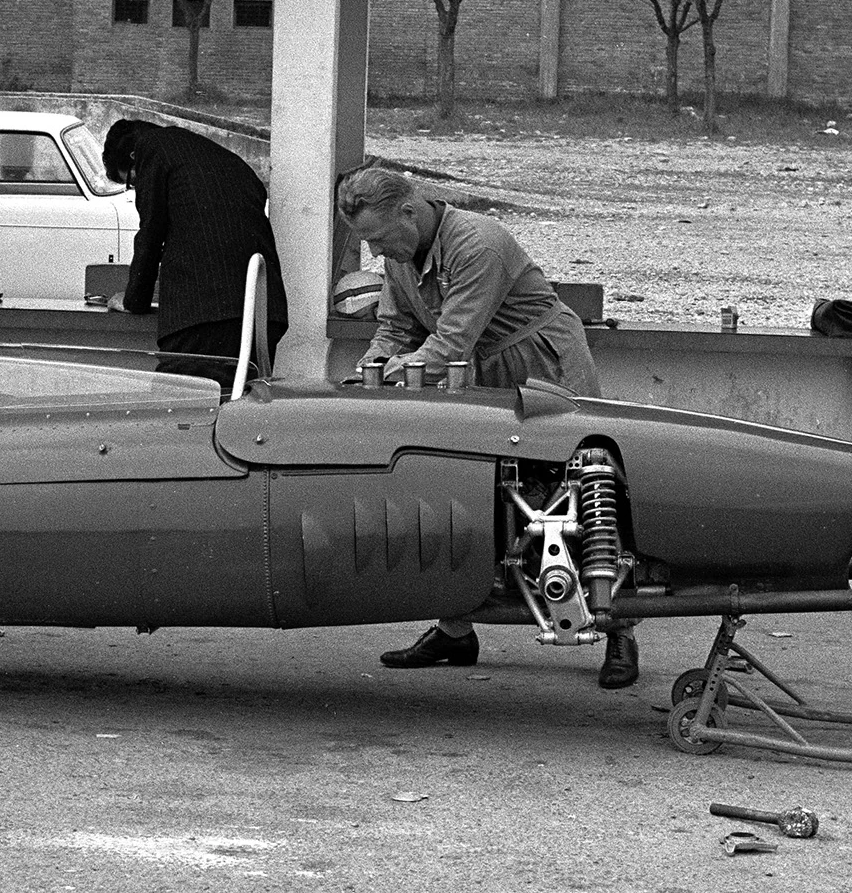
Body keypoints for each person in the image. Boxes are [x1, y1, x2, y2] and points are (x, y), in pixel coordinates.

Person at [335, 166, 638, 689]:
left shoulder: (478, 244)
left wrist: (384, 378)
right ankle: (455, 630)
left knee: (585, 492)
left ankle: (619, 630)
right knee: (468, 497)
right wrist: (361, 377)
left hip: (543, 366)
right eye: (369, 244)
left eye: (381, 239)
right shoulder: (400, 254)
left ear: (410, 211)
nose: (379, 254)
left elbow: (450, 341)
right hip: (475, 370)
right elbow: (396, 327)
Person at [101, 119, 287, 384]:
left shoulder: (151, 148)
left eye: (130, 181)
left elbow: (150, 233)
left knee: (180, 407)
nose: (135, 188)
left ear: (132, 157)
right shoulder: (220, 157)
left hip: (203, 315)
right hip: (264, 312)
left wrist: (133, 300)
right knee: (237, 412)